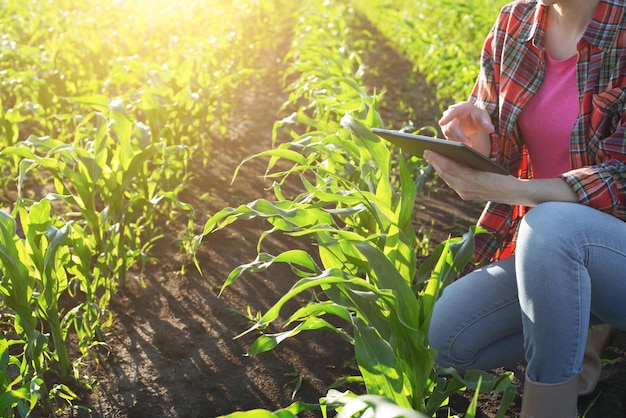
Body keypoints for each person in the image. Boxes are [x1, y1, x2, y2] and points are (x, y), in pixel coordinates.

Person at [424, 0, 626, 416]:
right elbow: (500, 136)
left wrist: (508, 188)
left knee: (552, 225)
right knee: (451, 333)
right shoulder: (515, 21)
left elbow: (621, 178)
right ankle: (582, 316)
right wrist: (478, 141)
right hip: (550, 249)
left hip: (604, 241)